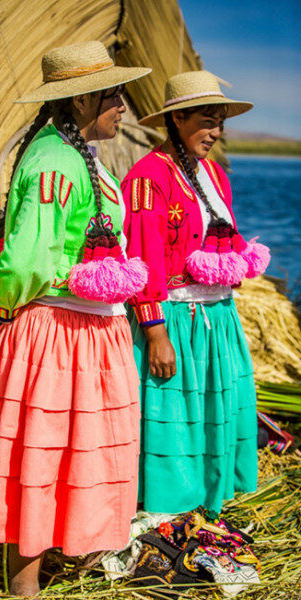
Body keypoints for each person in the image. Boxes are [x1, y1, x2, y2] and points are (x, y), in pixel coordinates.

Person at [0, 41, 151, 596]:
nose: (123, 107)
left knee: (71, 448)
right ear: (83, 100)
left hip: (89, 330)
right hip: (61, 333)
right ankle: (25, 585)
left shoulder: (71, 153)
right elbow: (29, 257)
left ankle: (58, 554)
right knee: (42, 450)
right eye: (114, 95)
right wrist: (1, 306)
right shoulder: (54, 161)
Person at [121, 70, 264, 516]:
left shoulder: (216, 175)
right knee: (176, 416)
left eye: (220, 121)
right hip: (175, 322)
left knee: (214, 409)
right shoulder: (148, 178)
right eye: (207, 120)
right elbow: (143, 261)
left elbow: (228, 239)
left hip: (218, 318)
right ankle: (168, 505)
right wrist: (156, 331)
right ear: (178, 117)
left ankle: (208, 502)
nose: (215, 132)